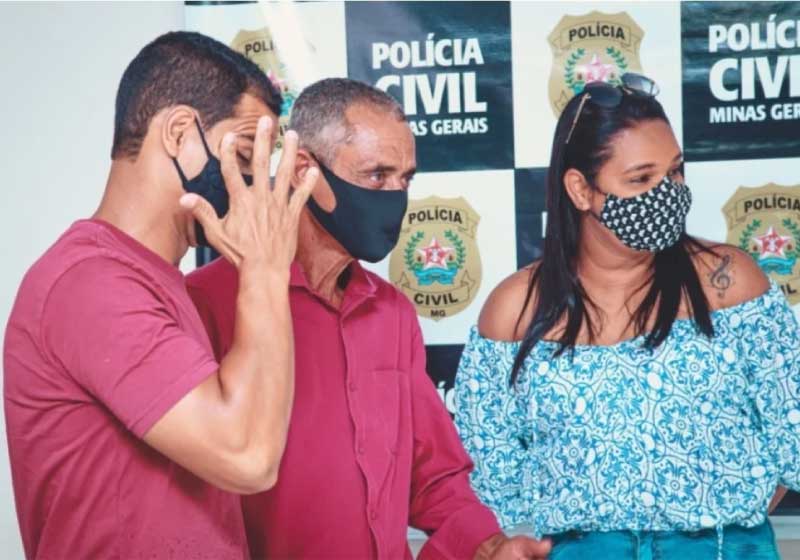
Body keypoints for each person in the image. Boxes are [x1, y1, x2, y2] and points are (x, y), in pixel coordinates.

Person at [186, 78, 552, 560]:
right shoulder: (206, 302)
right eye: (377, 175)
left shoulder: (392, 314)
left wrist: (489, 547)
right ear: (303, 171)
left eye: (405, 179)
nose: (395, 197)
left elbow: (434, 475)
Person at [454, 73, 797, 560]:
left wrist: (726, 519)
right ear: (581, 189)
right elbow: (482, 474)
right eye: (641, 179)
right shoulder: (516, 309)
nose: (668, 192)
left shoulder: (728, 282)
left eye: (674, 172)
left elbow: (793, 427)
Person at [3, 31, 317, 559]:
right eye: (243, 153)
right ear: (178, 133)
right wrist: (266, 268)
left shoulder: (161, 282)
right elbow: (247, 456)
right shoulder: (89, 282)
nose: (251, 184)